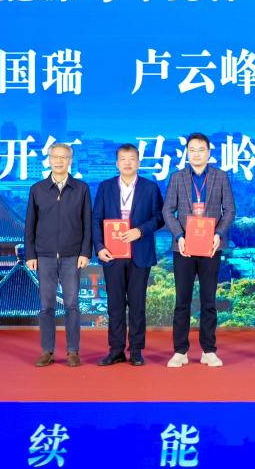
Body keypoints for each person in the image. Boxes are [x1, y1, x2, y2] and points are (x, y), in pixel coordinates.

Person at [162, 132, 236, 367]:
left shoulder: (220, 177)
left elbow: (229, 210)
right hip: (183, 247)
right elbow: (167, 211)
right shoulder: (177, 178)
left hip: (210, 246)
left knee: (209, 300)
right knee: (182, 300)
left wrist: (218, 234)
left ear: (209, 152)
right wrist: (179, 236)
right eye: (192, 150)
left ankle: (209, 350)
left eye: (201, 149)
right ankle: (180, 351)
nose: (196, 154)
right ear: (187, 153)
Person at [92, 144, 165, 367]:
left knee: (137, 304)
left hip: (139, 253)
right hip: (112, 253)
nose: (127, 163)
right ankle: (115, 350)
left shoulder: (150, 188)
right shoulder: (105, 187)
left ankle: (136, 350)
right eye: (123, 159)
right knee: (114, 304)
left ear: (138, 163)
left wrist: (140, 231)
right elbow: (96, 219)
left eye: (131, 159)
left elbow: (160, 218)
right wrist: (99, 247)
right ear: (117, 163)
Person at [24, 142, 92, 367]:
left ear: (70, 160)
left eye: (64, 157)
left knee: (72, 304)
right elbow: (30, 225)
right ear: (49, 159)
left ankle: (73, 351)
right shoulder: (37, 189)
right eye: (55, 156)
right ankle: (47, 351)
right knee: (46, 306)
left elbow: (88, 223)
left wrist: (85, 252)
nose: (59, 161)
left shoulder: (81, 189)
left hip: (72, 256)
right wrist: (30, 255)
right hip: (44, 256)